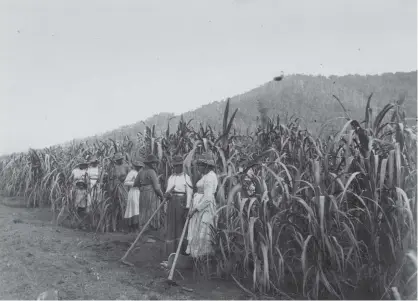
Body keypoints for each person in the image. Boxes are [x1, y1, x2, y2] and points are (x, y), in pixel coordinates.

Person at [186, 152, 218, 258]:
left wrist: (196, 209)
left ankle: (202, 257)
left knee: (203, 231)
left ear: (207, 166)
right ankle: (196, 256)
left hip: (204, 209)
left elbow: (208, 199)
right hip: (200, 207)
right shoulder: (206, 176)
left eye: (200, 165)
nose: (198, 167)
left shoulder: (209, 178)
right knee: (198, 230)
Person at [163, 154, 193, 257]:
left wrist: (187, 207)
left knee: (180, 227)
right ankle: (171, 252)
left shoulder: (186, 177)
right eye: (175, 166)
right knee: (171, 227)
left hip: (181, 203)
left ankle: (181, 253)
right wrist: (166, 196)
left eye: (178, 165)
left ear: (181, 166)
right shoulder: (171, 177)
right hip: (172, 203)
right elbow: (167, 191)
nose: (176, 168)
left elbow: (189, 193)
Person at [133, 154, 164, 230]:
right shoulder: (151, 172)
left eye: (155, 163)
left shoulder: (141, 172)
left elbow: (135, 184)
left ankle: (143, 227)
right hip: (151, 193)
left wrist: (142, 187)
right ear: (148, 163)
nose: (154, 164)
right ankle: (151, 228)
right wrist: (162, 196)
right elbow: (156, 188)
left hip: (143, 193)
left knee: (143, 210)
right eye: (152, 163)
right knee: (151, 209)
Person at [123, 157, 144, 232]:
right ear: (135, 166)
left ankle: (137, 226)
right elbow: (125, 182)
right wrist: (134, 183)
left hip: (139, 192)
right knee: (133, 208)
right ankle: (132, 226)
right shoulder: (132, 173)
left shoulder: (140, 173)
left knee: (138, 208)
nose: (139, 168)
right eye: (138, 166)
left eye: (140, 167)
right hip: (133, 192)